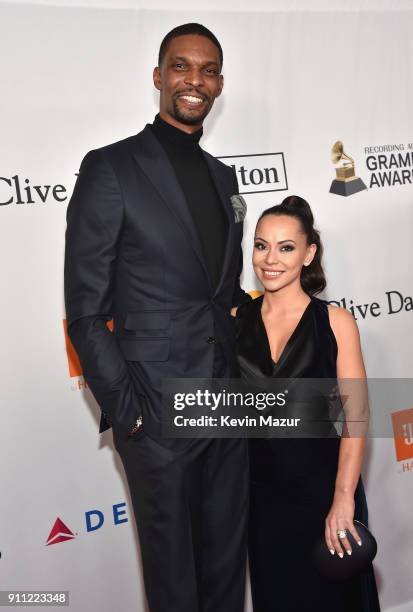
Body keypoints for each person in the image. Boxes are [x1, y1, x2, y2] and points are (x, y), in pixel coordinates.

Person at [64, 23, 251, 612]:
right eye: (181, 66)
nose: (195, 81)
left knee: (225, 571)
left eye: (208, 70)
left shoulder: (225, 179)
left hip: (227, 404)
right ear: (158, 76)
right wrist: (129, 415)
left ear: (219, 83)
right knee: (175, 584)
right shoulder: (110, 168)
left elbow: (221, 296)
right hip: (156, 413)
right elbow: (85, 313)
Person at [235, 195, 380, 611]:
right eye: (261, 245)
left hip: (324, 491)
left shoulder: (335, 322)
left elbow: (358, 415)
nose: (270, 259)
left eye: (285, 247)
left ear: (308, 252)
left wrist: (343, 499)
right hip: (261, 500)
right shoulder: (234, 320)